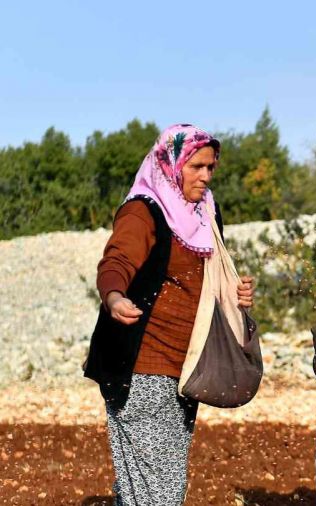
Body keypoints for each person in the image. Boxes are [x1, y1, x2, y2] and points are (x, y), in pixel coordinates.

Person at [83, 124, 255, 505]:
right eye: (196, 167)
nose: (205, 176)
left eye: (211, 167)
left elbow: (206, 278)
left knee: (149, 486)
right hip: (142, 368)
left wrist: (236, 293)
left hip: (187, 369)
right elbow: (116, 261)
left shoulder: (206, 214)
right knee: (161, 489)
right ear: (172, 164)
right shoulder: (143, 211)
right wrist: (114, 297)